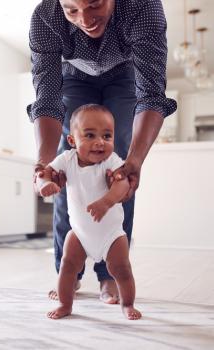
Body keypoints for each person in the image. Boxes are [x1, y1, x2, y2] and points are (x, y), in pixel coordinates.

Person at [27, 0, 177, 303]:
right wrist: (44, 163)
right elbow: (47, 99)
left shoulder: (143, 7)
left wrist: (134, 161)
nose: (85, 19)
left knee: (118, 166)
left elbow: (150, 93)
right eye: (72, 10)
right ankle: (67, 271)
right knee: (65, 168)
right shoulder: (45, 17)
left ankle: (110, 275)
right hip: (73, 76)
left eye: (94, 5)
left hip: (125, 74)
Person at [38, 104, 141, 320]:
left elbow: (122, 186)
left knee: (121, 269)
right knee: (67, 266)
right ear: (73, 141)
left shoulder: (112, 161)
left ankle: (127, 304)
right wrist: (44, 184)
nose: (100, 142)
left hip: (111, 235)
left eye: (107, 135)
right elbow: (45, 171)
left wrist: (106, 202)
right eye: (90, 135)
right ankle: (66, 305)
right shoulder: (67, 159)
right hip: (80, 233)